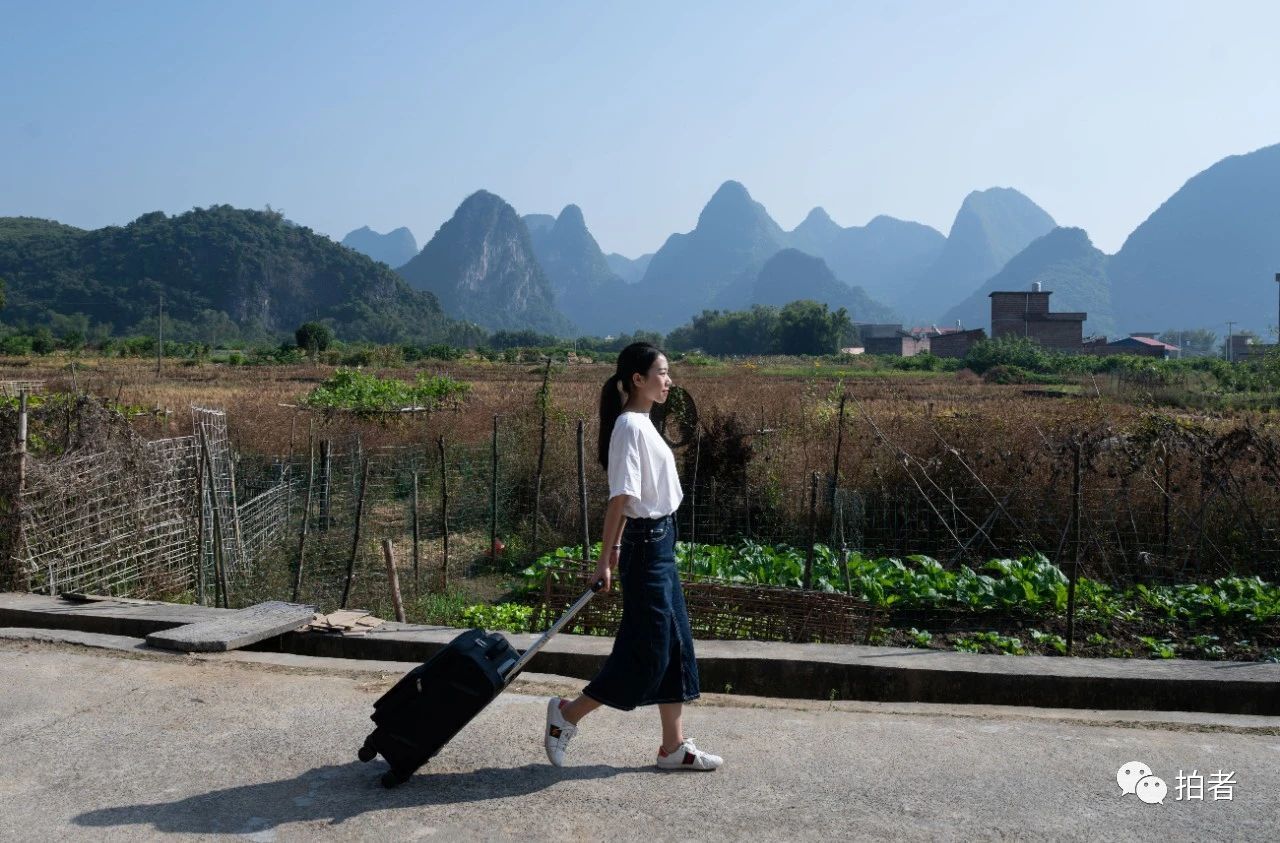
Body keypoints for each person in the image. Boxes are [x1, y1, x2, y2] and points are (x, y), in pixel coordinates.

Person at [542, 342, 723, 772]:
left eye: (669, 372)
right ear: (637, 379)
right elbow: (621, 498)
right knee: (648, 652)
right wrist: (605, 559)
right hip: (647, 547)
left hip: (657, 543)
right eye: (662, 372)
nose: (669, 380)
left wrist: (618, 548)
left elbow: (636, 496)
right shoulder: (629, 426)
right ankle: (566, 716)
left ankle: (673, 748)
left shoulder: (643, 423)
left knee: (676, 644)